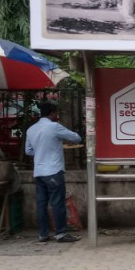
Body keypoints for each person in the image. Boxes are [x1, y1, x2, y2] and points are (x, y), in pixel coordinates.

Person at [25, 102, 82, 243]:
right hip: (54, 170)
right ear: (52, 113)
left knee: (41, 204)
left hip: (39, 172)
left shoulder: (31, 129)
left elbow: (28, 151)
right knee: (57, 203)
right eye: (56, 113)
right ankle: (60, 233)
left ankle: (43, 234)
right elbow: (76, 138)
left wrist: (41, 150)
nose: (57, 115)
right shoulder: (54, 127)